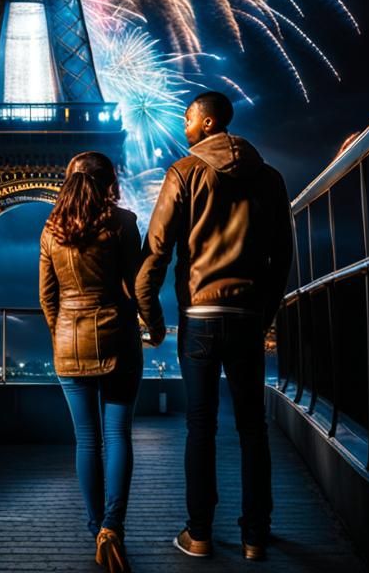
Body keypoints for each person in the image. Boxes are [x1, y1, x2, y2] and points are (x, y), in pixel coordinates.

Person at [135, 92, 293, 562]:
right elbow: (282, 256)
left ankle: (199, 533)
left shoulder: (184, 172)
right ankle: (255, 536)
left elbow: (156, 252)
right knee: (253, 429)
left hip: (199, 319)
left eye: (187, 118)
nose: (182, 126)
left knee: (199, 427)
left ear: (205, 123)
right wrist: (263, 313)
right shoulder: (269, 178)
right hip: (247, 316)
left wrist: (152, 317)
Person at [39, 151, 157, 573]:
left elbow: (47, 297)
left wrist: (61, 335)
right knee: (118, 436)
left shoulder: (51, 230)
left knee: (86, 441)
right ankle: (113, 528)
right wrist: (153, 324)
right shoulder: (123, 223)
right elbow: (139, 284)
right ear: (108, 180)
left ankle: (95, 531)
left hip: (69, 344)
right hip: (118, 338)